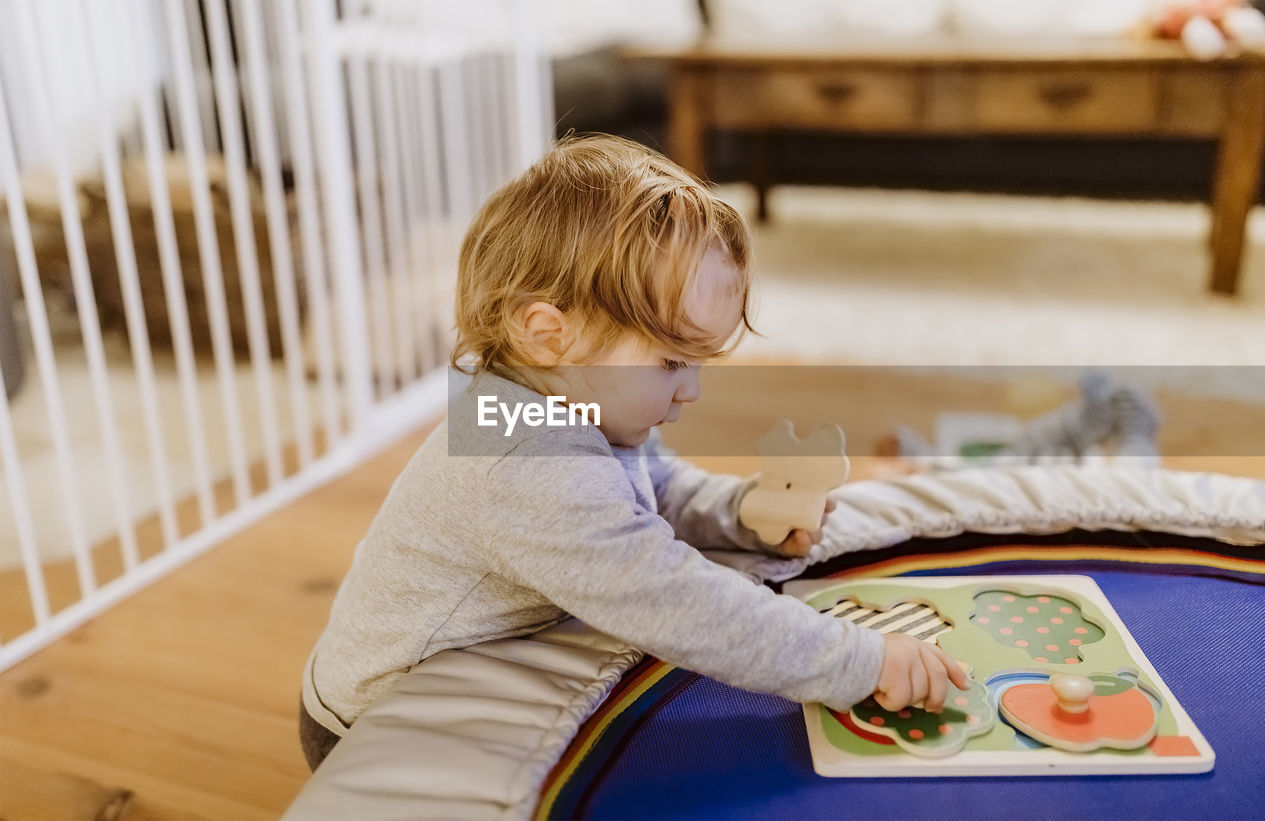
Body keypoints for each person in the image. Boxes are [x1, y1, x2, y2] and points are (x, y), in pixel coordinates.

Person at [298, 134, 967, 771]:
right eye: (673, 360)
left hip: (465, 673)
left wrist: (739, 508)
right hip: (383, 725)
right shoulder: (527, 468)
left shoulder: (573, 393)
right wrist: (856, 659)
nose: (693, 390)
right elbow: (677, 601)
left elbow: (656, 486)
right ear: (546, 334)